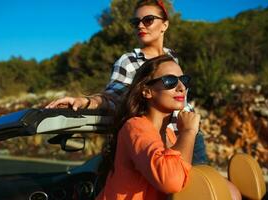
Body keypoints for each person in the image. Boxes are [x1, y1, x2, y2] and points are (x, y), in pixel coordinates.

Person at [46, 0, 208, 165]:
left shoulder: (172, 57)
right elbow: (112, 96)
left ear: (164, 25)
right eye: (135, 22)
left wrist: (192, 127)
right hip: (159, 141)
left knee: (211, 187)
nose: (140, 25)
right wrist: (85, 101)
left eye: (148, 20)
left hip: (192, 137)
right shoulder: (129, 61)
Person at [96, 55, 200, 200]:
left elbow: (185, 180)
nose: (181, 88)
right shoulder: (135, 126)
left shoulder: (169, 134)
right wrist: (189, 132)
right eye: (170, 81)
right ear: (147, 91)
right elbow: (171, 181)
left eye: (184, 80)